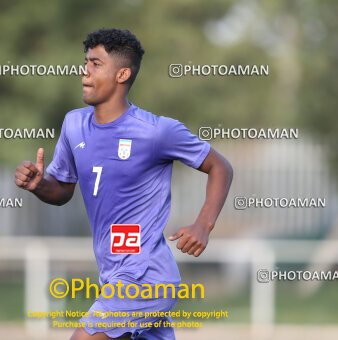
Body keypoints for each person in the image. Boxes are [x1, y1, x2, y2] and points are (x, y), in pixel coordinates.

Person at [15, 28, 233, 340]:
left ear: (122, 74)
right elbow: (62, 190)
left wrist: (203, 225)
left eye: (95, 63)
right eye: (85, 62)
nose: (84, 71)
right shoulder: (74, 125)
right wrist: (38, 185)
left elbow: (220, 166)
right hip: (113, 276)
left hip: (145, 278)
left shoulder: (156, 131)